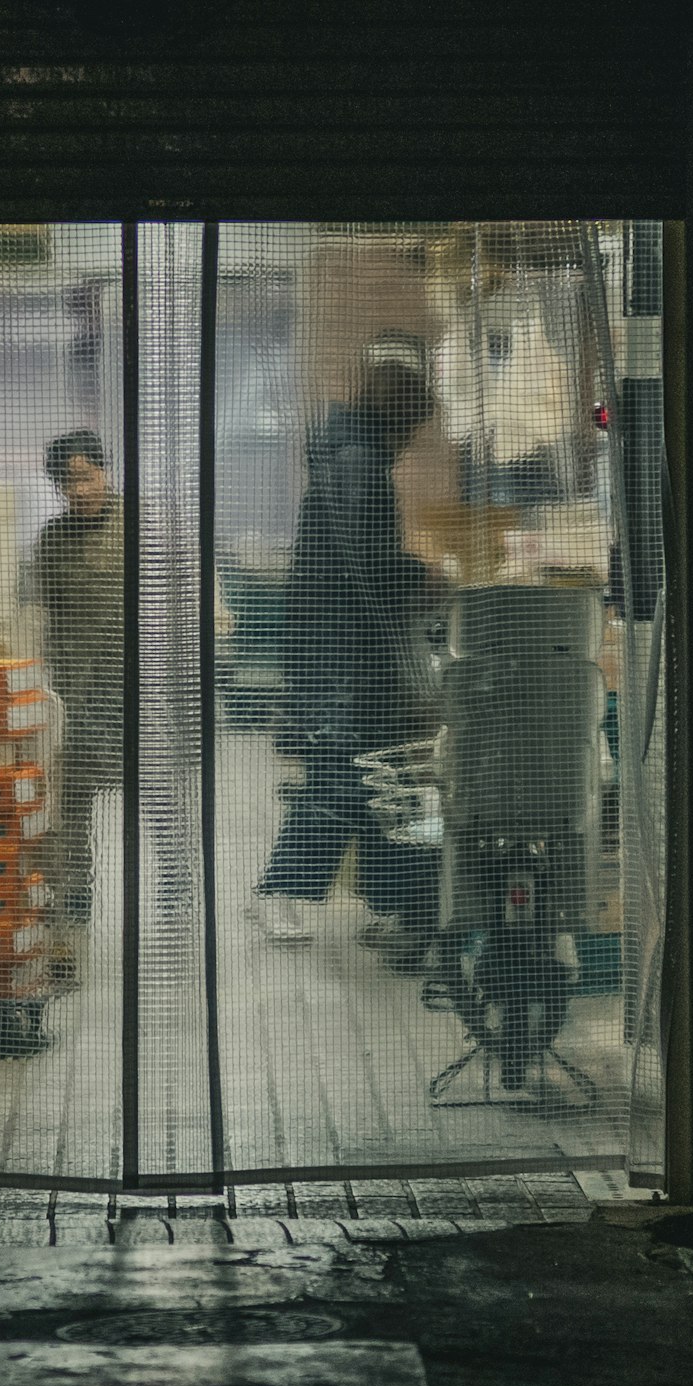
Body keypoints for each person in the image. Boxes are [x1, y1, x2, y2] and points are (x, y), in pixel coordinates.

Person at [247, 354, 445, 963]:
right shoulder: (358, 463)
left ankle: (393, 907)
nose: (413, 443)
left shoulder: (347, 453)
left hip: (338, 646)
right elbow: (365, 567)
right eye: (415, 427)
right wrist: (422, 577)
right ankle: (279, 891)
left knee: (379, 775)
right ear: (403, 416)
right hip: (343, 655)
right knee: (341, 776)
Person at [23, 427, 125, 972]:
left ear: (105, 472)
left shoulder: (144, 528)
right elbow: (42, 618)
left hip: (136, 693)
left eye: (86, 476)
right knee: (74, 802)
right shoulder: (52, 540)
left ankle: (179, 891)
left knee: (160, 799)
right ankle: (77, 898)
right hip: (78, 694)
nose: (80, 490)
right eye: (68, 482)